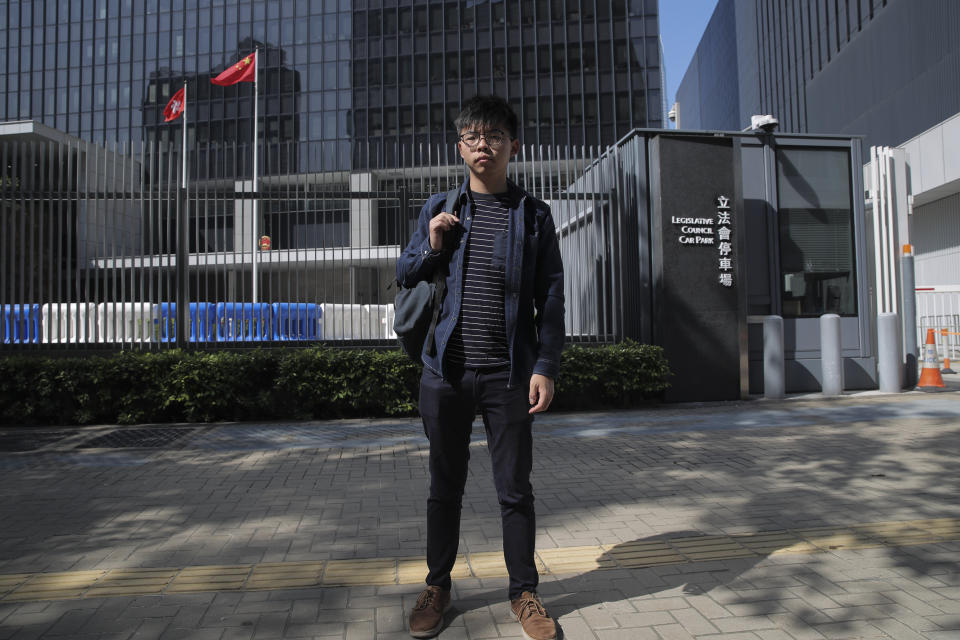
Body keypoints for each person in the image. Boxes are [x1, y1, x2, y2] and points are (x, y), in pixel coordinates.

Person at [396, 95, 565, 640]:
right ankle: (438, 586)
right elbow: (405, 273)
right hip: (444, 373)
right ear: (460, 147)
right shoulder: (439, 207)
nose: (482, 144)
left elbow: (552, 298)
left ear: (514, 144)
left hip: (508, 374)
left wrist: (546, 365)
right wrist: (434, 246)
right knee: (444, 486)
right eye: (471, 136)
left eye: (493, 135)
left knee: (514, 489)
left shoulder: (534, 216)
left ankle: (524, 593)